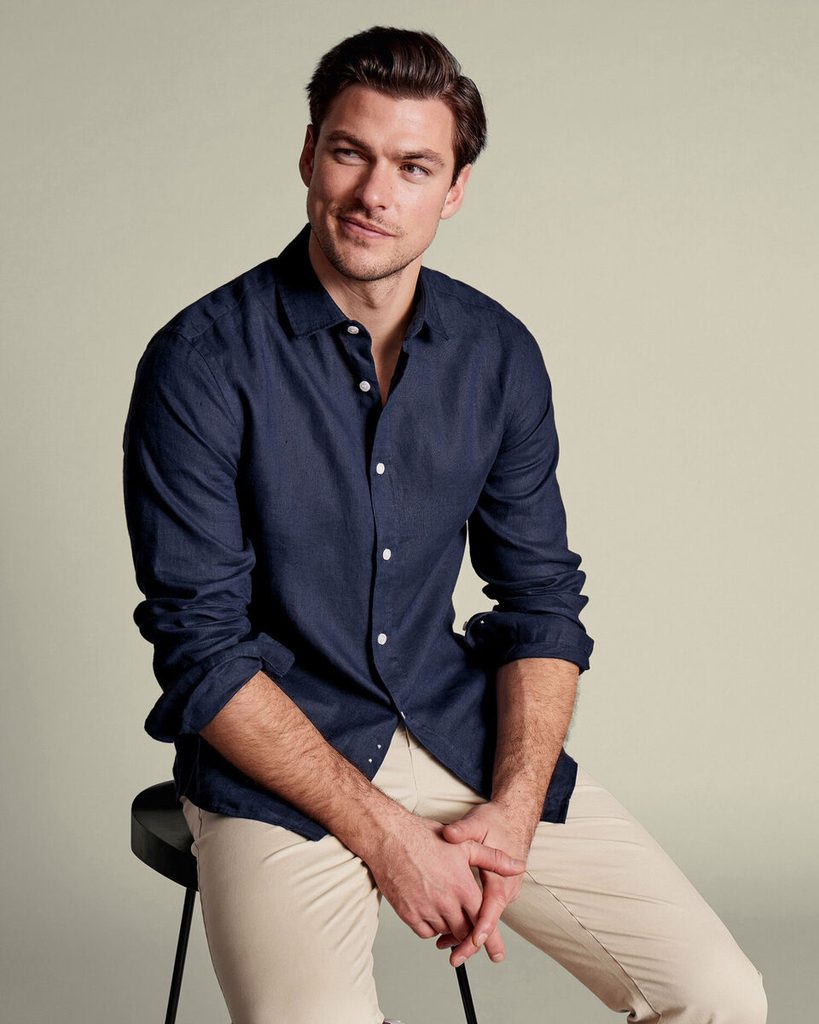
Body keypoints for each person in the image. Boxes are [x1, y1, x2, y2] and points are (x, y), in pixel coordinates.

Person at [122, 25, 767, 1024]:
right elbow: (202, 651)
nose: (375, 194)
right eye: (351, 153)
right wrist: (387, 837)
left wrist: (513, 811)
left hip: (457, 734)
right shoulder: (201, 362)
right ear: (309, 155)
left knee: (720, 997)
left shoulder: (496, 354)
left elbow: (540, 602)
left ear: (454, 189)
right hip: (279, 768)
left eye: (414, 166)